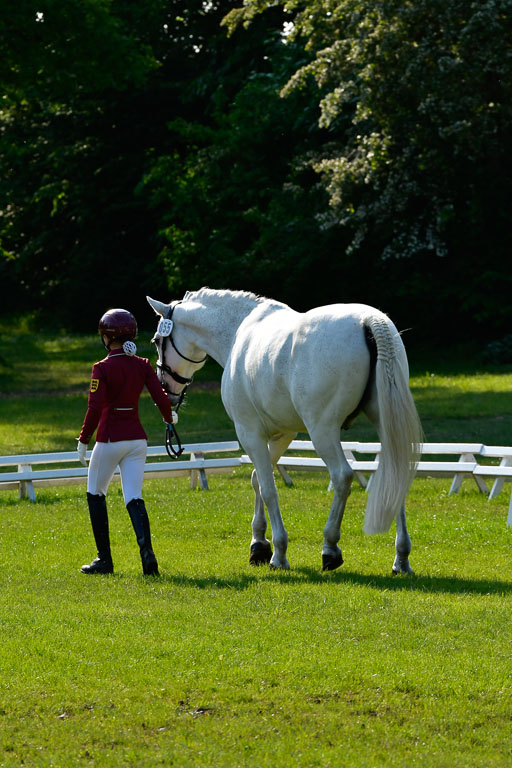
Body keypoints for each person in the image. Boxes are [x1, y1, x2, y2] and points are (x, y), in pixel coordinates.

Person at [77, 308, 177, 576]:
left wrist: (84, 439)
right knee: (134, 497)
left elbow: (94, 408)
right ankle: (148, 557)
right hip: (137, 440)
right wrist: (169, 419)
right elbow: (160, 397)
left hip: (110, 439)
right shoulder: (142, 364)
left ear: (108, 337)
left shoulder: (102, 367)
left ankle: (104, 560)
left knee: (96, 493)